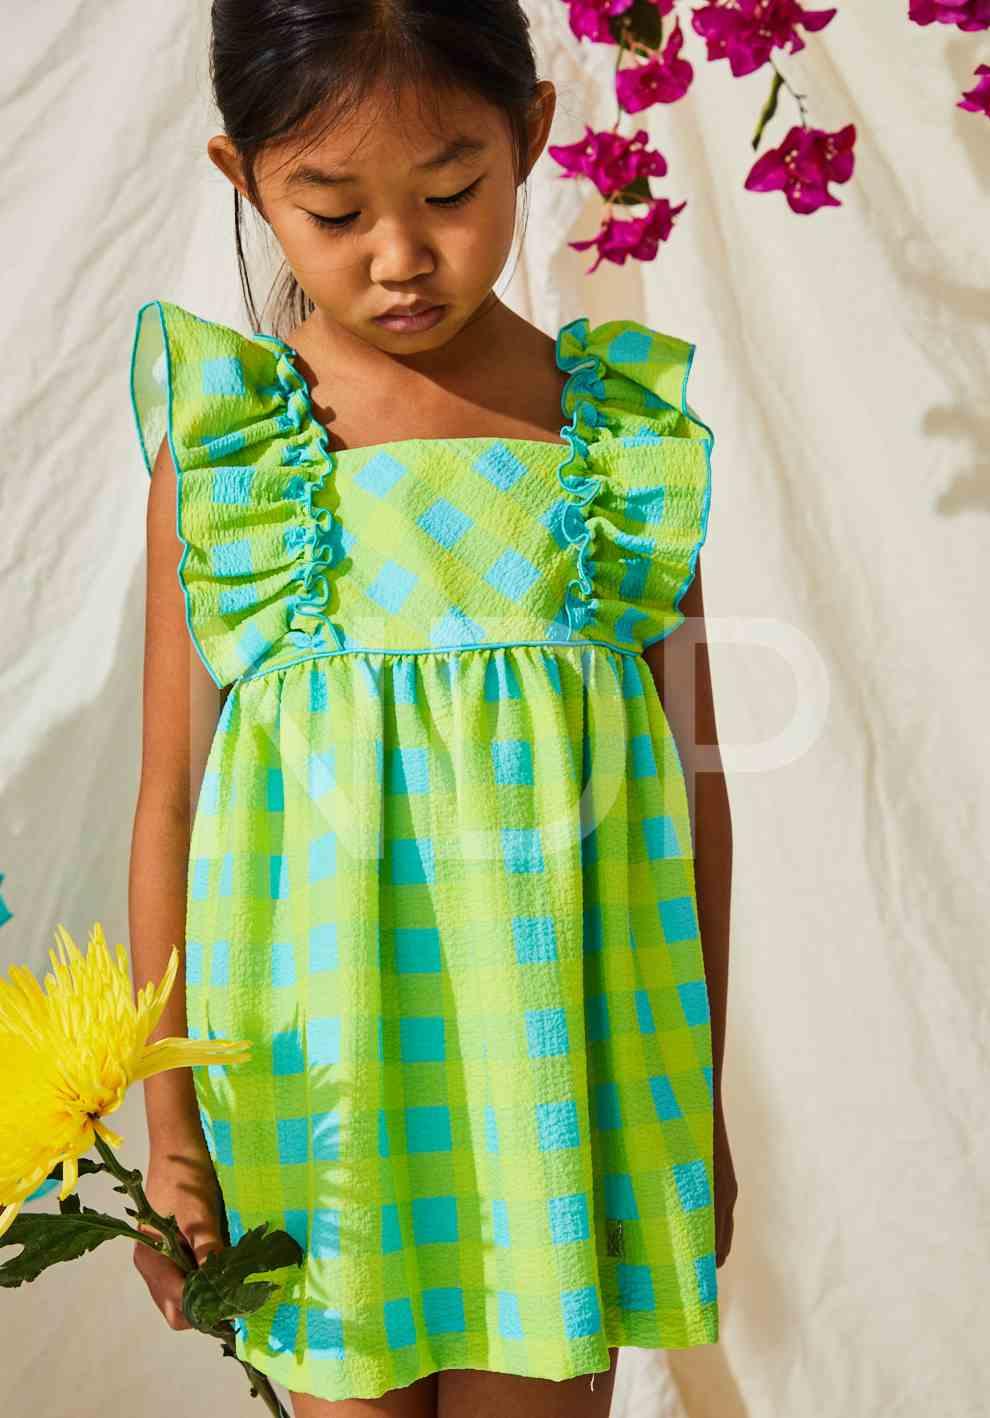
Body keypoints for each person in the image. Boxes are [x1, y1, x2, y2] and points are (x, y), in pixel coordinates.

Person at [127, 2, 738, 1415]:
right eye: (334, 212)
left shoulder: (615, 448)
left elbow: (692, 783)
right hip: (320, 1091)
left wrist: (692, 1091)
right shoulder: (236, 456)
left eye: (451, 193)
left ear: (530, 132)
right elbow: (170, 795)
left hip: (560, 1075)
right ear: (243, 178)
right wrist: (172, 1128)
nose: (399, 256)